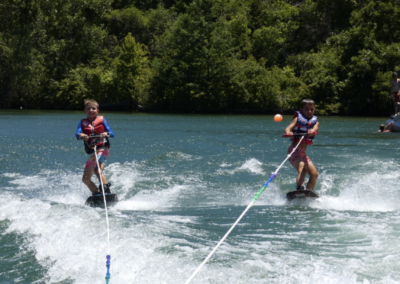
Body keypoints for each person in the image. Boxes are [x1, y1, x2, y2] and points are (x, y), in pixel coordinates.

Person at [75, 99, 115, 195]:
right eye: (88, 108)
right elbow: (77, 134)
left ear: (98, 111)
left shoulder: (102, 120)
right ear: (85, 111)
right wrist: (81, 135)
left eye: (94, 108)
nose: (91, 110)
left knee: (98, 170)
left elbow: (112, 134)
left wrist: (105, 133)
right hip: (93, 152)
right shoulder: (82, 123)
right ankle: (96, 193)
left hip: (103, 149)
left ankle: (106, 192)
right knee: (85, 179)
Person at [284, 99, 319, 191]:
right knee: (302, 168)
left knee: (314, 174)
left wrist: (312, 131)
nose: (309, 111)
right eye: (306, 109)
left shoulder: (315, 121)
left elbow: (315, 128)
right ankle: (300, 188)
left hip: (303, 153)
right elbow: (288, 128)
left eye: (311, 109)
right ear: (301, 109)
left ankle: (309, 192)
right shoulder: (297, 118)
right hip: (294, 150)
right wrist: (288, 132)